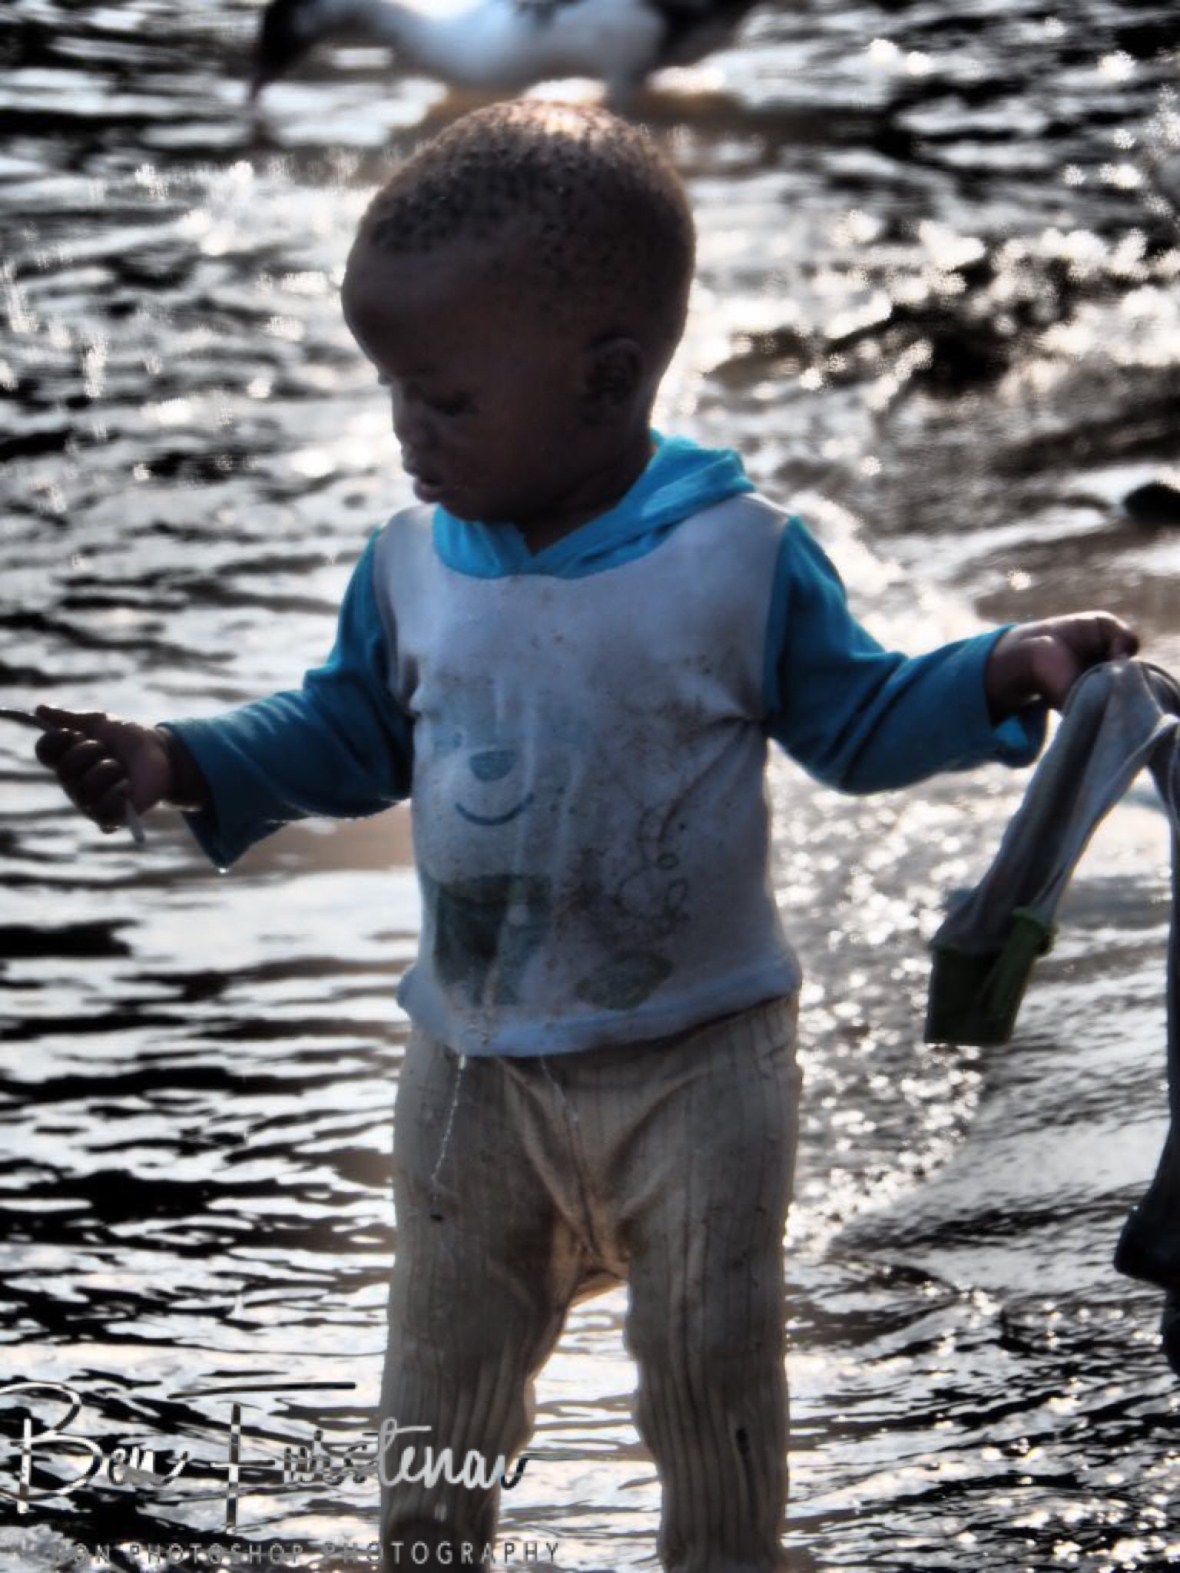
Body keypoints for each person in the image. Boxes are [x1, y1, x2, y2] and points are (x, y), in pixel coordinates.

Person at [33, 102, 1137, 1573]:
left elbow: (858, 719)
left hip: (702, 1062)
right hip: (473, 1071)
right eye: (392, 394)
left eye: (446, 400)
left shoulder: (736, 556)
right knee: (439, 1397)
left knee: (709, 1386)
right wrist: (179, 760)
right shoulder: (411, 567)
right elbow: (349, 735)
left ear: (608, 379)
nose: (405, 432)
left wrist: (1002, 668)